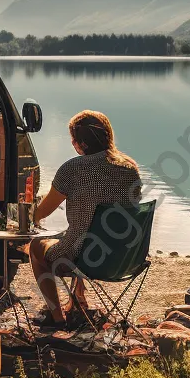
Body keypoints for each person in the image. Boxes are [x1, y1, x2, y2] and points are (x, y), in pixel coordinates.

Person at [29, 110, 143, 325]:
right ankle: (78, 301)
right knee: (84, 233)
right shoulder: (130, 168)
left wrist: (29, 206)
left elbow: (41, 213)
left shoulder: (73, 168)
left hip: (85, 258)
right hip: (125, 256)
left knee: (37, 247)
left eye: (73, 139)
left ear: (79, 143)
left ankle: (57, 319)